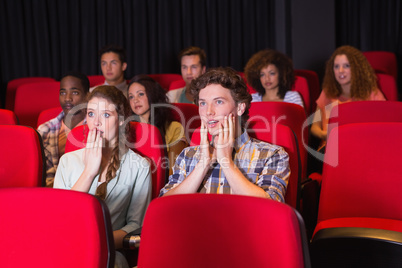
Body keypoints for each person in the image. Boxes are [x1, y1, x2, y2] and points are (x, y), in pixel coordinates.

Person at [54, 85, 152, 268]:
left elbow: (136, 225)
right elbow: (61, 217)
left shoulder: (139, 166)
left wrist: (99, 241)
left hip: (110, 253)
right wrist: (89, 172)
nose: (96, 122)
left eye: (106, 115)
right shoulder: (68, 161)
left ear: (121, 120)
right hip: (67, 248)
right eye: (91, 114)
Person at [159, 67, 290, 202]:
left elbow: (272, 209)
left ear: (240, 107)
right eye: (203, 103)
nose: (208, 111)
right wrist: (203, 164)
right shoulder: (188, 155)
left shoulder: (272, 155)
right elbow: (163, 206)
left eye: (218, 101)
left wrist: (227, 163)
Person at [311, 45, 386, 144]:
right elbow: (314, 127)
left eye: (346, 66)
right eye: (336, 66)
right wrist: (323, 135)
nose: (340, 70)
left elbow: (384, 126)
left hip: (362, 147)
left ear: (356, 69)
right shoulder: (327, 92)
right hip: (331, 150)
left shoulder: (371, 93)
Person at [128, 74, 188, 175]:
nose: (135, 100)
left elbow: (174, 171)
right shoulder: (128, 128)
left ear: (153, 94)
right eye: (131, 96)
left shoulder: (174, 128)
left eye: (141, 94)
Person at [37, 71, 89, 187]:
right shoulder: (45, 130)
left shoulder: (95, 128)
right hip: (53, 191)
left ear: (87, 96)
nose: (67, 98)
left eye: (75, 92)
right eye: (63, 93)